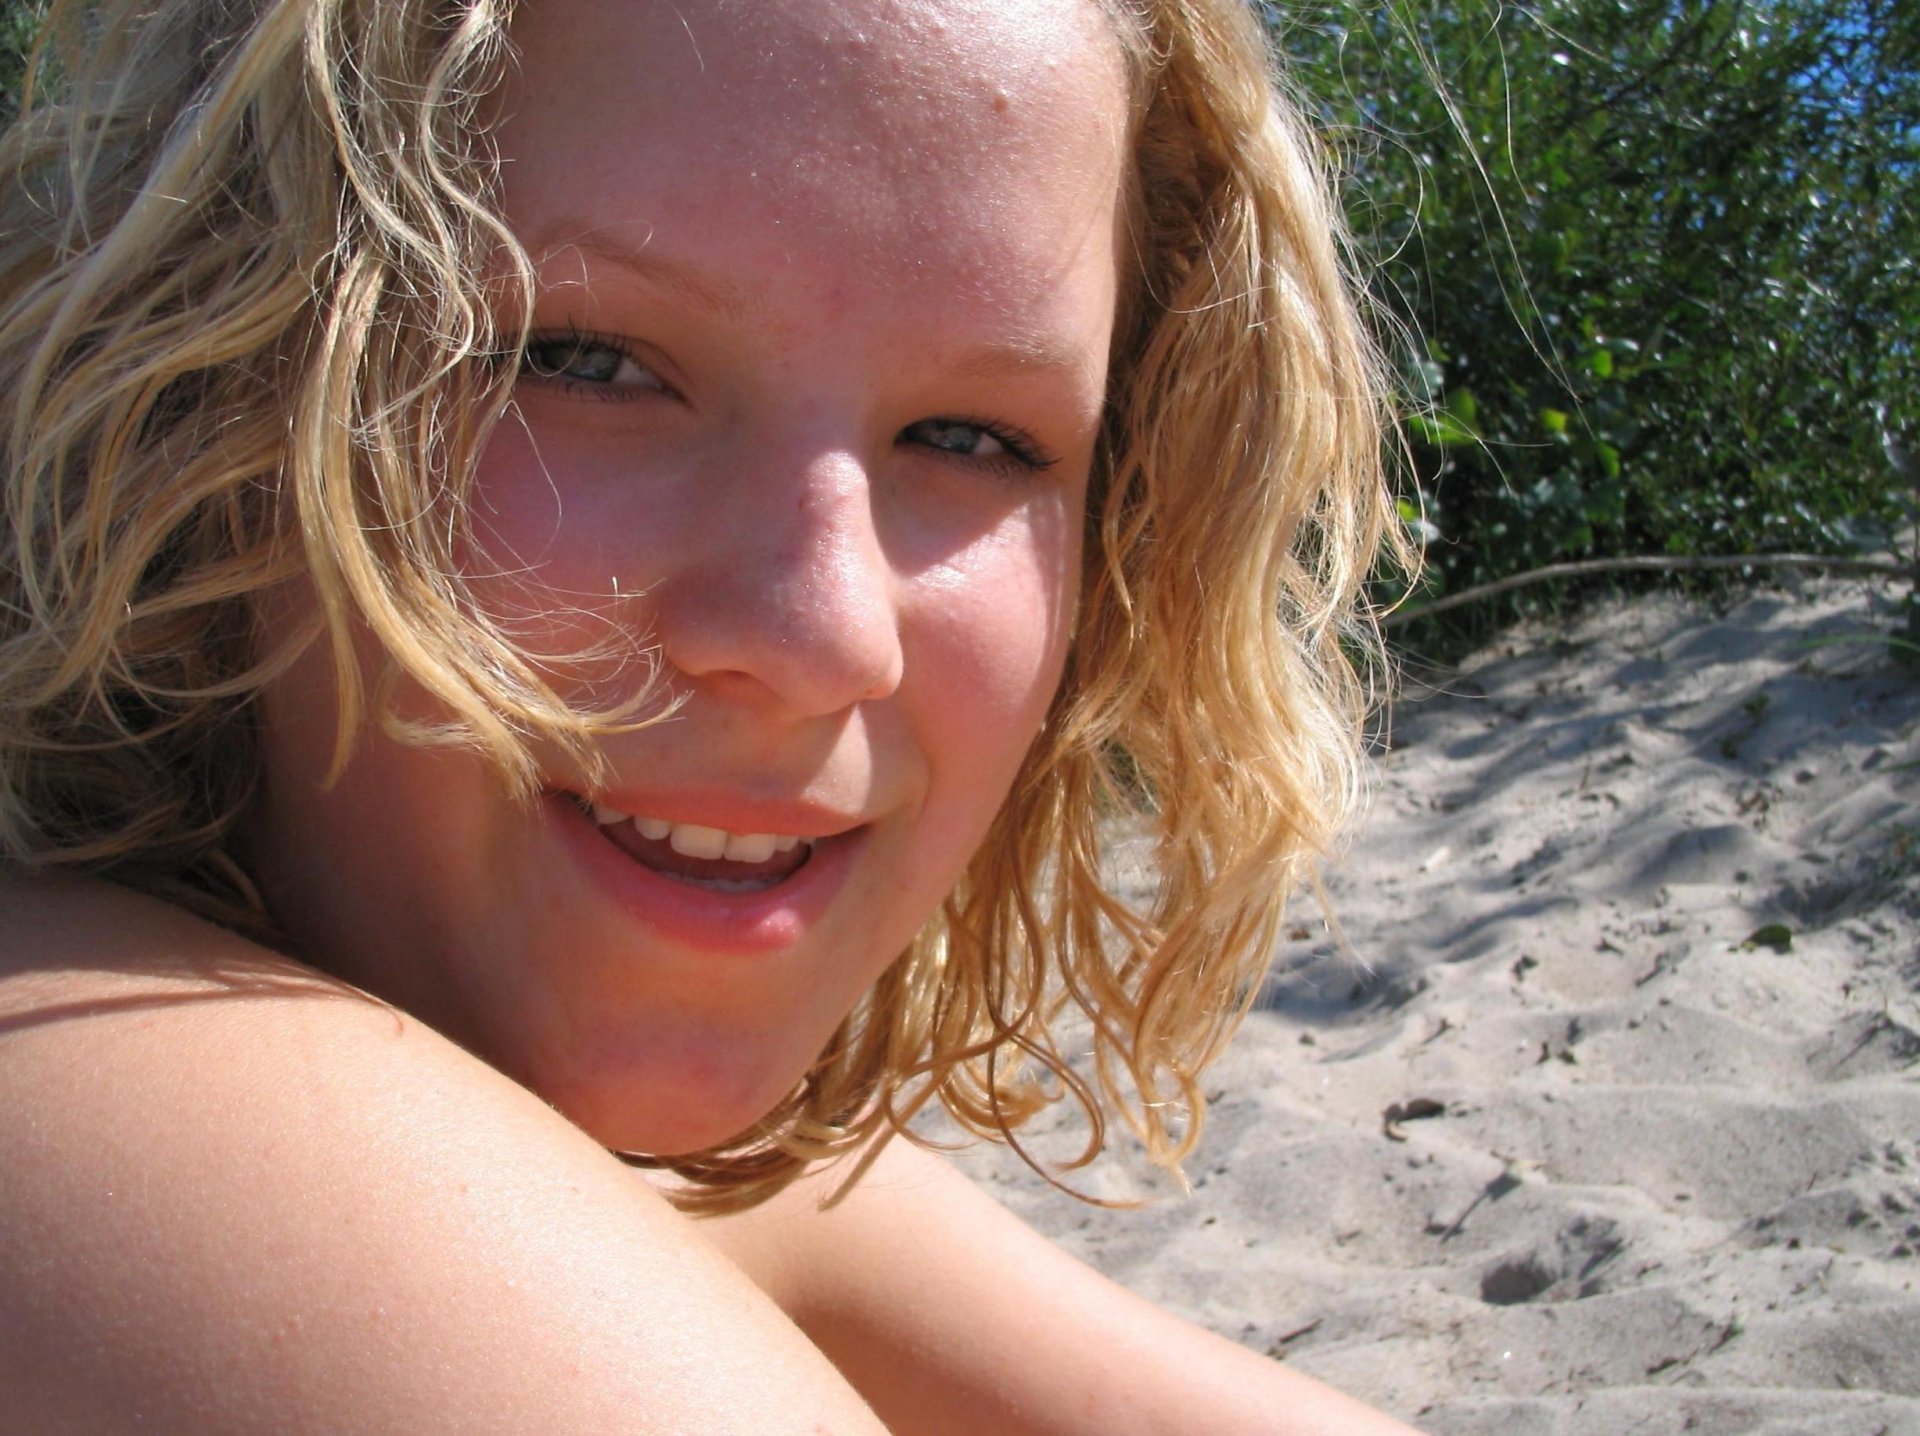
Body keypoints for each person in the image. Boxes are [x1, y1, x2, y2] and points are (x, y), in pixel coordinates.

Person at [0, 0, 1419, 1430]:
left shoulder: (606, 1139)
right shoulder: (92, 1073)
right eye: (589, 363)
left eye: (972, 439)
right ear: (203, 382)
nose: (823, 637)